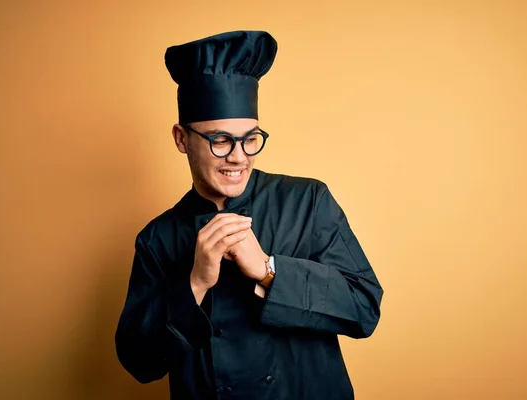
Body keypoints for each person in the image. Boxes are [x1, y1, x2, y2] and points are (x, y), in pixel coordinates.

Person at [115, 30, 384, 400]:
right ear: (181, 139)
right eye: (220, 140)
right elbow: (139, 362)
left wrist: (269, 270)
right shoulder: (157, 238)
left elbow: (364, 308)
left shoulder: (307, 201)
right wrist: (194, 283)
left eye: (250, 138)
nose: (239, 156)